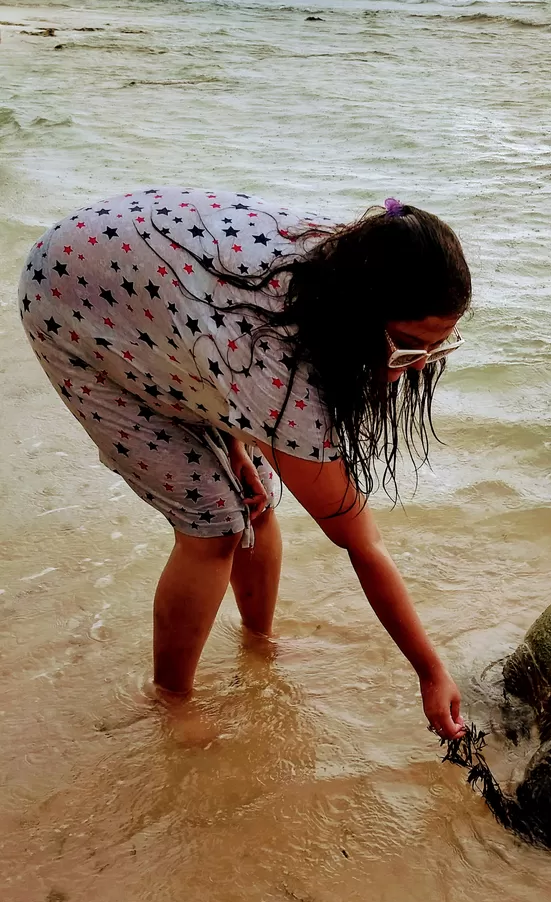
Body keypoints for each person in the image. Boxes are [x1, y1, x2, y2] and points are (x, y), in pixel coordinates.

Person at [19, 187, 470, 739]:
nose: (413, 368)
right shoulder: (271, 356)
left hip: (162, 293)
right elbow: (360, 541)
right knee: (212, 521)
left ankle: (259, 642)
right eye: (405, 347)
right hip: (71, 301)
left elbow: (218, 355)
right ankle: (172, 699)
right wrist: (431, 671)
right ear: (359, 314)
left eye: (435, 350)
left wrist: (238, 439)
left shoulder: (360, 263)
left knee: (254, 496)